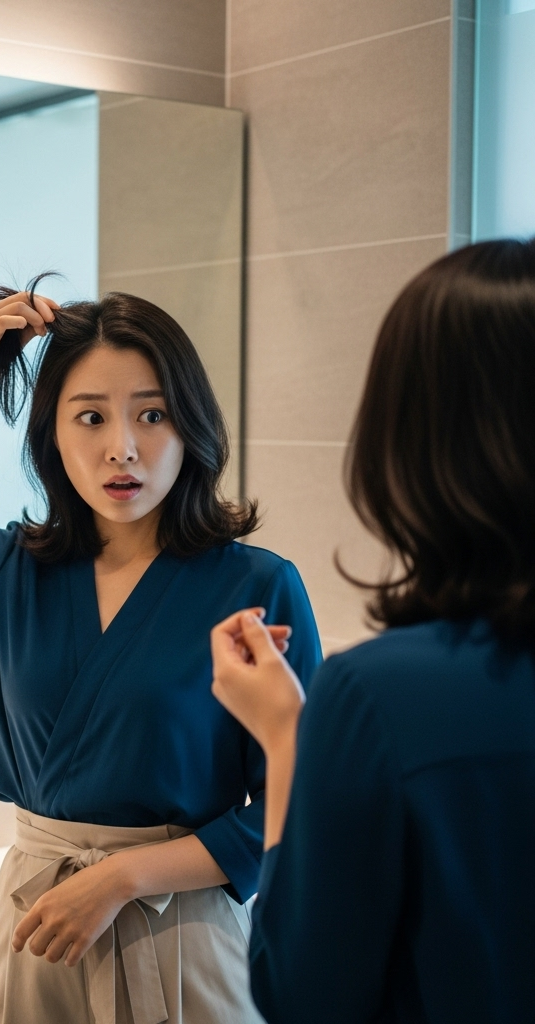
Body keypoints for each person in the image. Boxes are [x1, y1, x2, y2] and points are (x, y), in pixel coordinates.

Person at [0, 281, 322, 1023]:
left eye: (152, 414)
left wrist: (123, 877)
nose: (123, 448)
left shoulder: (257, 585)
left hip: (183, 934)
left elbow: (300, 806)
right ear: (52, 437)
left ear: (192, 428)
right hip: (41, 931)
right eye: (90, 417)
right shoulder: (0, 572)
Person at [208, 239, 535, 1022]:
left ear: (407, 437)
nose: (123, 446)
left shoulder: (381, 697)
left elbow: (305, 995)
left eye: (152, 414)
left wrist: (287, 740)